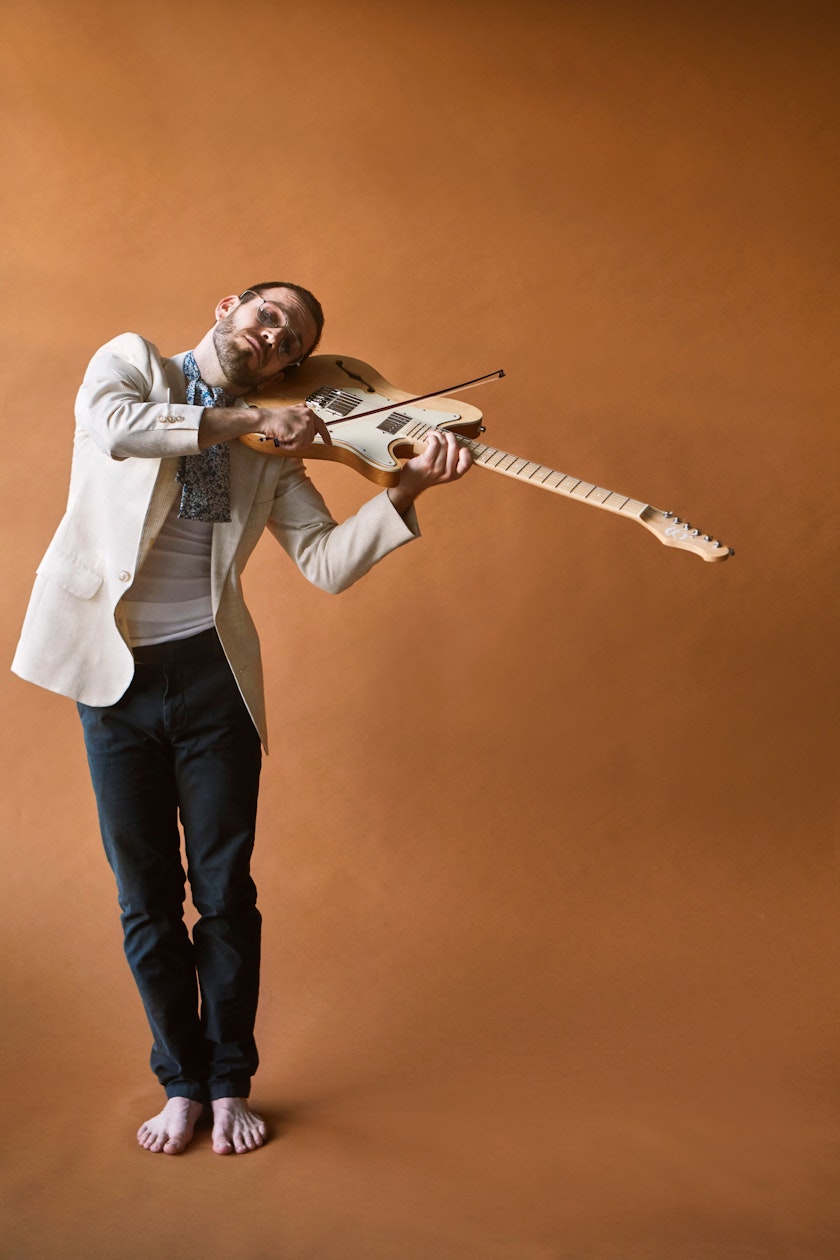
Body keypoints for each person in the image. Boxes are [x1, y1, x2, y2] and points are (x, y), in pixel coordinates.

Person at [12, 282, 472, 1156]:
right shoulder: (132, 363)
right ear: (228, 306)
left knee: (225, 893)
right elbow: (119, 428)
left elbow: (328, 563)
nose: (271, 337)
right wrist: (240, 422)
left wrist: (406, 489)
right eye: (266, 316)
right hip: (112, 678)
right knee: (145, 897)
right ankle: (178, 1084)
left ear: (291, 366)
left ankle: (228, 1084)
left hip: (214, 680)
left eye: (288, 340)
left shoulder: (273, 454)